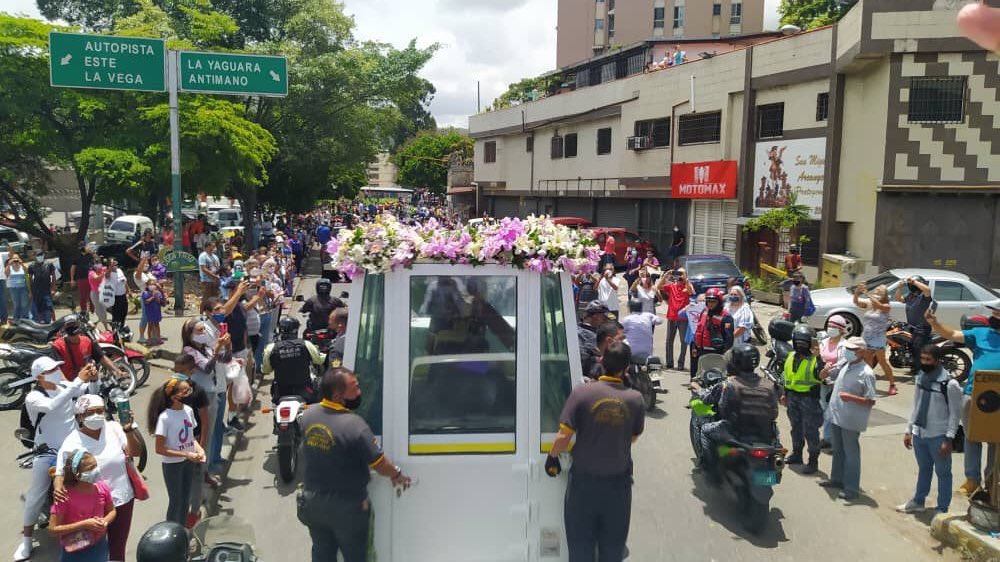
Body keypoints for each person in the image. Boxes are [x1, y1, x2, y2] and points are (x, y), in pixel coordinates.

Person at [297, 368, 411, 562]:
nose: (359, 393)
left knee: (322, 553)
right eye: (355, 388)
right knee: (356, 556)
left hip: (312, 504)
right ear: (338, 395)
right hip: (346, 509)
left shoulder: (309, 415)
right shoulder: (355, 426)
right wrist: (397, 474)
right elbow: (380, 464)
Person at [545, 341, 644, 562]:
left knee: (581, 548)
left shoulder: (582, 393)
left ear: (601, 361)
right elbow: (633, 438)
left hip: (584, 486)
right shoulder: (635, 399)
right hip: (618, 487)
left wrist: (552, 458)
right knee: (612, 549)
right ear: (626, 368)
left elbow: (564, 435)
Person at [14, 358, 97, 562]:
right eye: (52, 369)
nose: (58, 370)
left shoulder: (65, 386)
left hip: (72, 448)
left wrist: (94, 376)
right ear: (40, 376)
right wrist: (78, 381)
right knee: (36, 493)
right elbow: (51, 406)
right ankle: (26, 540)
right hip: (47, 451)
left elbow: (89, 391)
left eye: (58, 366)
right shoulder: (33, 397)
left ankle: (95, 525)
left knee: (94, 477)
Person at [55, 395, 142, 562]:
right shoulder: (71, 442)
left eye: (100, 411)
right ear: (80, 416)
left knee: (117, 549)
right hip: (90, 509)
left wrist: (129, 430)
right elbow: (60, 472)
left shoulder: (114, 428)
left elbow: (135, 452)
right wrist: (58, 488)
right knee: (90, 550)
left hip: (122, 499)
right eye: (90, 412)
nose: (96, 415)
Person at [925, 304, 1000, 496]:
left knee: (996, 440)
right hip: (974, 393)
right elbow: (952, 334)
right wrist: (936, 324)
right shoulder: (980, 333)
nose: (995, 315)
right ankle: (972, 479)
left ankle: (992, 480)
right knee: (971, 436)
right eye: (994, 312)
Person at [691, 344, 780, 478]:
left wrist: (697, 388)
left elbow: (708, 399)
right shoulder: (769, 385)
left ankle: (709, 467)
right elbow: (774, 412)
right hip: (765, 433)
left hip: (734, 431)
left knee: (705, 430)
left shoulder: (729, 384)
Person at [897, 345, 963, 514]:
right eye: (922, 359)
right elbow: (916, 405)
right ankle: (918, 501)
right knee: (924, 469)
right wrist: (908, 429)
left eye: (928, 360)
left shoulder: (949, 384)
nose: (924, 362)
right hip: (920, 433)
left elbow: (955, 414)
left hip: (939, 435)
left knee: (943, 473)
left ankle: (942, 508)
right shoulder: (921, 378)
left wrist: (948, 439)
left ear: (937, 361)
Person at [821, 337, 877, 501]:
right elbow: (825, 377)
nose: (848, 352)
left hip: (851, 420)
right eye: (847, 349)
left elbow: (871, 400)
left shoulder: (866, 373)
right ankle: (836, 479)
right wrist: (824, 371)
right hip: (837, 415)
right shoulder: (845, 364)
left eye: (852, 350)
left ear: (861, 352)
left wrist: (851, 398)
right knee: (838, 449)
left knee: (851, 453)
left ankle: (852, 488)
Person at [147, 375, 206, 526]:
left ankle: (182, 530)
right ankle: (171, 531)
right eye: (185, 392)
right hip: (173, 465)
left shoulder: (188, 410)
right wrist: (186, 454)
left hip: (188, 462)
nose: (189, 394)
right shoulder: (165, 418)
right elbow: (160, 449)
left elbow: (191, 438)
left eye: (189, 390)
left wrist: (199, 450)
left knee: (185, 499)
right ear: (174, 397)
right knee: (176, 501)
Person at [181, 320, 227, 491]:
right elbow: (206, 368)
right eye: (200, 330)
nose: (204, 333)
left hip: (211, 393)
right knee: (202, 435)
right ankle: (199, 474)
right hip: (200, 397)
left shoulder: (206, 347)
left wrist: (226, 346)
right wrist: (217, 349)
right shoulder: (189, 351)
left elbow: (225, 358)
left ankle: (204, 470)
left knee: (210, 432)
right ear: (190, 334)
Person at [48, 449, 116, 562]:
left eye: (96, 466)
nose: (96, 470)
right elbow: (52, 529)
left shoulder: (102, 487)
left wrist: (105, 521)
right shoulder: (64, 496)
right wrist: (84, 524)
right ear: (77, 474)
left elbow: (112, 511)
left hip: (99, 545)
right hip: (75, 551)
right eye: (90, 468)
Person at [173, 355, 212, 528]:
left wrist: (202, 446)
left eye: (182, 371)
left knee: (196, 476)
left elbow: (205, 421)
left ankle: (194, 512)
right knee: (180, 477)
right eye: (176, 371)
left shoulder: (198, 392)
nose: (177, 375)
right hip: (175, 443)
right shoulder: (169, 392)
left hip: (194, 440)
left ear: (192, 371)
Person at [781, 324, 824, 474]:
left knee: (810, 431)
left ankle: (813, 461)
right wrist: (784, 393)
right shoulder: (791, 356)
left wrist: (819, 357)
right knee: (796, 428)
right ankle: (797, 454)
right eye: (798, 342)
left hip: (808, 400)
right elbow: (786, 376)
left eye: (804, 342)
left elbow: (822, 375)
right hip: (792, 397)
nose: (800, 345)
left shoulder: (815, 360)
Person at [263, 316, 325, 403]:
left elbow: (266, 370)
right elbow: (319, 360)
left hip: (281, 391)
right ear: (296, 330)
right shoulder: (306, 344)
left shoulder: (271, 348)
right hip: (304, 390)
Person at [854, 284, 897, 395]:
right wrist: (857, 293)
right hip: (867, 337)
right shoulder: (870, 303)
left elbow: (879, 306)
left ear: (884, 295)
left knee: (882, 362)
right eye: (876, 292)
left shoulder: (886, 306)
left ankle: (892, 384)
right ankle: (868, 384)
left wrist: (867, 293)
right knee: (867, 362)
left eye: (879, 292)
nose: (876, 294)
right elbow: (857, 303)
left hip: (878, 338)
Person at [52, 315, 122, 381]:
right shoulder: (58, 346)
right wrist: (67, 386)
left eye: (74, 325)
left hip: (89, 382)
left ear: (79, 325)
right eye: (69, 326)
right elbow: (56, 369)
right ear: (64, 328)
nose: (72, 328)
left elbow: (101, 357)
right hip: (70, 384)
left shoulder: (87, 341)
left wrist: (116, 370)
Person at [690, 288, 734, 379]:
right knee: (696, 377)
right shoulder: (704, 312)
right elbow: (698, 329)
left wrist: (723, 355)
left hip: (715, 354)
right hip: (700, 351)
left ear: (719, 301)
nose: (710, 304)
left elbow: (729, 340)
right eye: (708, 301)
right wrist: (694, 346)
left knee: (713, 379)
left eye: (713, 301)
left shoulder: (726, 317)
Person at [819, 315, 848, 449]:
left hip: (836, 382)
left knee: (834, 411)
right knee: (825, 408)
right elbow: (818, 358)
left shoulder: (844, 345)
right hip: (823, 380)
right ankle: (827, 437)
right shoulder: (823, 341)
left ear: (841, 330)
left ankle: (833, 440)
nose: (831, 329)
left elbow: (843, 363)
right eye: (830, 326)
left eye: (834, 327)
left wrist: (829, 370)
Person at [656, 269, 693, 371]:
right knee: (669, 341)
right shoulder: (672, 286)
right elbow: (658, 287)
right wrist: (666, 275)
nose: (679, 276)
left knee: (683, 341)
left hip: (683, 318)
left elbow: (691, 291)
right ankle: (669, 363)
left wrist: (685, 279)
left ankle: (680, 363)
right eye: (678, 274)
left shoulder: (686, 286)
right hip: (672, 317)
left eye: (681, 274)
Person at [896, 276, 933, 374]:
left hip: (922, 328)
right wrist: (899, 287)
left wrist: (914, 281)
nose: (911, 285)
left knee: (917, 349)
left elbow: (928, 290)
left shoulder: (924, 296)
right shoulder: (910, 295)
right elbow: (899, 299)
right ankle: (914, 367)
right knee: (910, 347)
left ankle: (921, 371)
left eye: (912, 284)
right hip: (912, 327)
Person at [621, 297, 663, 364]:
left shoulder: (627, 319)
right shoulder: (648, 315)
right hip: (648, 351)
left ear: (631, 308)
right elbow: (660, 321)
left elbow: (621, 331)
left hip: (632, 352)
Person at [578, 301, 611, 380]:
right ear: (595, 316)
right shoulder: (593, 336)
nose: (606, 321)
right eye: (604, 318)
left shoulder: (574, 330)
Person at [28, 250, 56, 324]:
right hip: (36, 290)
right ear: (35, 256)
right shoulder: (31, 266)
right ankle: (41, 323)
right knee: (38, 308)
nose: (40, 256)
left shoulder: (49, 264)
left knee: (50, 307)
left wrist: (53, 288)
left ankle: (55, 323)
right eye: (38, 255)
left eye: (41, 254)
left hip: (47, 290)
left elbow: (53, 276)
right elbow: (29, 279)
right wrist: (30, 291)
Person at [69, 243, 95, 314]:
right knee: (83, 295)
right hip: (81, 278)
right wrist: (72, 279)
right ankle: (83, 310)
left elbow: (95, 264)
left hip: (91, 278)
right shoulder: (77, 256)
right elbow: (73, 268)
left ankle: (92, 309)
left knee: (92, 294)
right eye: (87, 246)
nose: (88, 247)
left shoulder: (90, 256)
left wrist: (93, 253)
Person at [141, 279, 167, 346]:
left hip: (156, 312)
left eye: (154, 284)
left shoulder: (158, 293)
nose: (152, 286)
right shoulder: (145, 293)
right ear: (147, 286)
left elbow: (161, 302)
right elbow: (146, 302)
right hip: (150, 312)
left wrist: (159, 299)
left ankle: (158, 338)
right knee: (150, 326)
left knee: (157, 325)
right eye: (151, 284)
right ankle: (149, 339)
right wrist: (153, 297)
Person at [105, 259, 129, 327]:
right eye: (113, 264)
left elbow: (124, 280)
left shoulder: (119, 270)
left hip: (123, 296)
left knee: (124, 313)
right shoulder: (108, 273)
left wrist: (128, 290)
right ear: (109, 266)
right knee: (116, 317)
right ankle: (115, 334)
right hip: (115, 298)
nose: (115, 266)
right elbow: (106, 276)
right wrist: (111, 267)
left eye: (115, 264)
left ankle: (121, 329)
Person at [5, 253, 30, 321]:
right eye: (14, 259)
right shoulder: (10, 267)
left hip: (23, 288)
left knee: (24, 304)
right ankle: (16, 319)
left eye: (17, 259)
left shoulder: (23, 266)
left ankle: (25, 319)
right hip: (14, 289)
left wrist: (21, 263)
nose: (16, 261)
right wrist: (9, 264)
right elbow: (6, 273)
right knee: (16, 305)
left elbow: (28, 271)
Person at [87, 262, 109, 329]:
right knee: (100, 310)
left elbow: (109, 267)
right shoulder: (91, 273)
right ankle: (106, 328)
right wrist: (104, 273)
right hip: (95, 294)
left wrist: (111, 265)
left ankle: (99, 320)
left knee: (103, 309)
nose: (99, 266)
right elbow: (97, 278)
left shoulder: (102, 269)